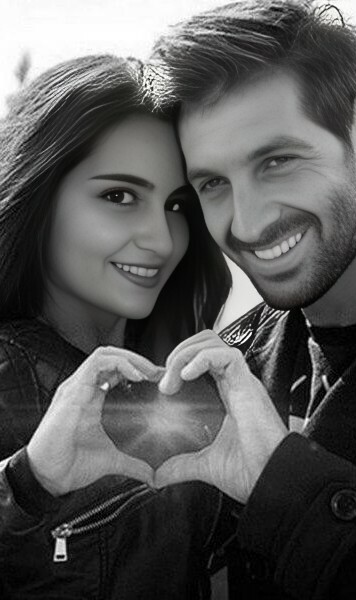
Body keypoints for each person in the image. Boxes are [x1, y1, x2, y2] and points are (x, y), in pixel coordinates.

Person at [151, 1, 356, 598]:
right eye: (213, 183)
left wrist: (287, 489)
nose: (248, 222)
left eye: (278, 161)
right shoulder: (232, 371)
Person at [0, 54, 232, 599]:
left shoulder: (195, 375)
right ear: (39, 196)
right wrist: (29, 483)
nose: (161, 239)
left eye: (177, 204)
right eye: (119, 196)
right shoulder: (9, 379)